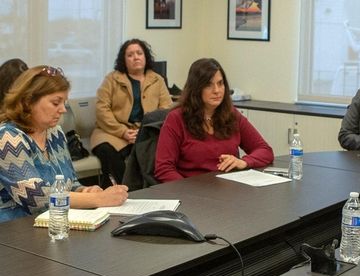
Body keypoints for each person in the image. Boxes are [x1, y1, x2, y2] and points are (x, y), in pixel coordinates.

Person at [0, 66, 128, 223]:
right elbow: (36, 199)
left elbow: (70, 184)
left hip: (56, 223)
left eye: (64, 102)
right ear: (28, 101)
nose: (63, 110)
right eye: (55, 103)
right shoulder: (8, 138)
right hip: (14, 230)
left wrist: (85, 191)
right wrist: (98, 199)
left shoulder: (55, 132)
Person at [155, 58, 274, 182]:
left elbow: (265, 151)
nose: (217, 91)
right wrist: (188, 193)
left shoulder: (231, 114)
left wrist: (244, 162)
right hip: (192, 192)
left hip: (228, 191)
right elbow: (164, 169)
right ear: (196, 88)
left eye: (220, 83)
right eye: (209, 85)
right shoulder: (176, 118)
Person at [91, 39, 172, 188]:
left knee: (153, 153)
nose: (136, 57)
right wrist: (123, 132)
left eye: (139, 53)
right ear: (124, 60)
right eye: (130, 55)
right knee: (107, 152)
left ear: (145, 56)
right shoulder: (112, 79)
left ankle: (149, 190)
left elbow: (166, 109)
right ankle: (124, 190)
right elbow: (102, 109)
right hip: (112, 132)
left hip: (146, 131)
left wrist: (143, 130)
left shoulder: (157, 80)